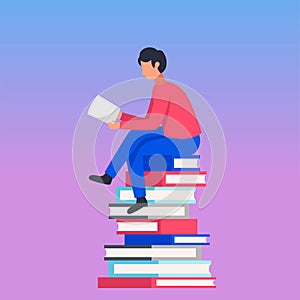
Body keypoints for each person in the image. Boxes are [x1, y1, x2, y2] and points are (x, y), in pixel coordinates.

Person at [89, 47, 201, 214]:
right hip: (170, 132)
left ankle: (141, 199)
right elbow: (150, 120)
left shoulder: (164, 90)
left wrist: (120, 125)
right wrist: (121, 115)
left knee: (138, 150)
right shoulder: (160, 87)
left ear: (156, 65)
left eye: (145, 67)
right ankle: (109, 175)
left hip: (186, 141)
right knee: (134, 135)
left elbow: (152, 124)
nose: (142, 72)